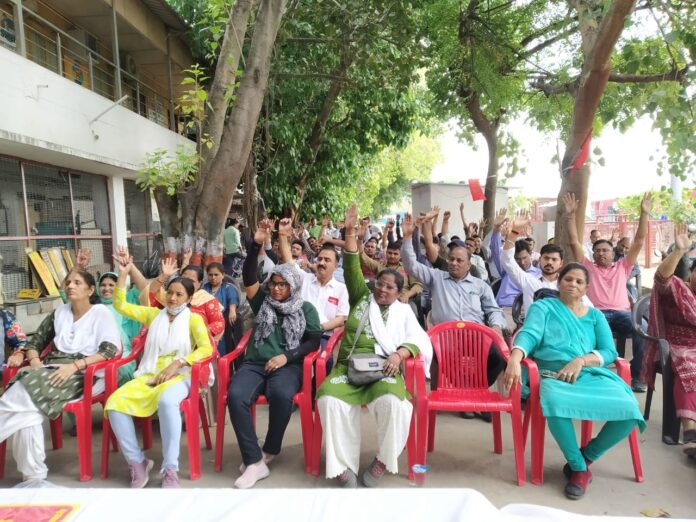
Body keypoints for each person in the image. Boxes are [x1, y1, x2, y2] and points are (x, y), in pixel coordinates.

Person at [504, 262, 646, 500]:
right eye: (568, 279)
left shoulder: (595, 315)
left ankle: (586, 456)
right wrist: (515, 359)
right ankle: (579, 469)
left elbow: (609, 351)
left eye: (579, 282)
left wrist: (581, 361)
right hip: (553, 376)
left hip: (588, 373)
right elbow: (530, 334)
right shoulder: (544, 307)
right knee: (555, 403)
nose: (573, 284)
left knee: (630, 410)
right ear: (559, 282)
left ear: (586, 288)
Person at [316, 204, 432, 488]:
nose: (382, 289)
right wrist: (351, 231)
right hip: (348, 367)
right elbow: (353, 264)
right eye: (379, 284)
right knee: (328, 399)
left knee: (397, 404)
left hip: (385, 370)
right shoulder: (361, 297)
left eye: (390, 288)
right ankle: (342, 467)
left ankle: (384, 459)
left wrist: (400, 352)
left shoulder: (404, 311)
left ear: (399, 292)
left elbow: (420, 339)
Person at [0, 268, 120, 487]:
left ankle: (34, 474)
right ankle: (34, 475)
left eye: (77, 283)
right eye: (68, 282)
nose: (70, 286)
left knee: (21, 392)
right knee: (28, 412)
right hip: (49, 372)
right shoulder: (59, 313)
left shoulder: (101, 313)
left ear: (90, 289)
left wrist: (74, 366)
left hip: (83, 376)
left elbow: (109, 350)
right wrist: (35, 361)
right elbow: (34, 342)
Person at [105, 256, 213, 488]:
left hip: (182, 375)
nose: (173, 298)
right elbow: (120, 305)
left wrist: (178, 363)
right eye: (170, 293)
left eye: (179, 294)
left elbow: (207, 349)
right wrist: (123, 273)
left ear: (189, 298)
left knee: (166, 402)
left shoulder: (194, 320)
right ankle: (137, 462)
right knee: (114, 403)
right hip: (149, 373)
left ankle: (170, 469)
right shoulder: (154, 315)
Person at [228, 219, 321, 489]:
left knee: (281, 396)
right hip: (255, 363)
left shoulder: (306, 309)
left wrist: (287, 357)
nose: (277, 289)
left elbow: (314, 341)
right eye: (274, 284)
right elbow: (248, 277)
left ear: (293, 285)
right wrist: (256, 243)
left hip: (287, 365)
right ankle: (255, 461)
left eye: (283, 285)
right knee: (235, 396)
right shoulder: (263, 302)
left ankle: (269, 449)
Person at [400, 213, 507, 390]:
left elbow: (493, 310)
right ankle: (467, 394)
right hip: (446, 337)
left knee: (499, 356)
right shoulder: (436, 277)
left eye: (459, 260)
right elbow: (411, 265)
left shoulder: (480, 285)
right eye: (451, 259)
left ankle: (474, 390)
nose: (454, 263)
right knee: (446, 358)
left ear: (468, 263)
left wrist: (495, 326)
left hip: (476, 335)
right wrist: (407, 238)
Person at [563, 192, 652, 392]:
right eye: (598, 250)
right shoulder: (587, 267)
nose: (602, 253)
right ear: (593, 254)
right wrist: (570, 216)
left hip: (622, 314)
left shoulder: (623, 266)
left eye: (606, 250)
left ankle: (637, 376)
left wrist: (644, 213)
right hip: (595, 314)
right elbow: (574, 241)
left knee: (644, 328)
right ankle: (585, 374)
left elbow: (638, 241)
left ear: (614, 253)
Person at [641, 223, 696, 456]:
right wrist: (679, 251)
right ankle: (690, 432)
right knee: (690, 368)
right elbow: (661, 278)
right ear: (691, 273)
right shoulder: (678, 289)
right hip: (678, 346)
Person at [499, 215, 592, 318]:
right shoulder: (528, 280)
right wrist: (515, 231)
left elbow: (590, 309)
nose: (549, 262)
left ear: (561, 263)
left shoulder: (570, 284)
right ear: (540, 259)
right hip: (534, 329)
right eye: (546, 258)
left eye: (554, 259)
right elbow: (506, 259)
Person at [277, 219, 349, 350]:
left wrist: (318, 328)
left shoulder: (341, 288)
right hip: (297, 331)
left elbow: (340, 319)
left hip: (322, 335)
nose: (322, 263)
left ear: (336, 265)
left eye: (327, 260)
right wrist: (282, 234)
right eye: (320, 259)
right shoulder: (305, 278)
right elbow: (288, 260)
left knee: (323, 361)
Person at [148, 257, 226, 346]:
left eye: (192, 281)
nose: (186, 283)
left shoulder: (207, 299)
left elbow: (219, 323)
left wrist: (197, 332)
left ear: (199, 283)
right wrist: (164, 276)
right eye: (184, 278)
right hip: (165, 343)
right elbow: (149, 296)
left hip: (196, 345)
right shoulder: (170, 296)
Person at [97, 271, 143, 385]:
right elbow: (65, 294)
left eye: (111, 285)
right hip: (95, 354)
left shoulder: (127, 303)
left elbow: (144, 289)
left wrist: (129, 268)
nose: (106, 288)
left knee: (118, 371)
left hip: (123, 355)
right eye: (103, 285)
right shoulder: (93, 307)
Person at [202, 262, 240, 355]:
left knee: (222, 349)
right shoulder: (204, 288)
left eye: (216, 274)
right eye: (210, 275)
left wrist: (232, 311)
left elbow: (233, 299)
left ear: (222, 275)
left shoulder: (228, 287)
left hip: (222, 320)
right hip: (207, 321)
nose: (213, 277)